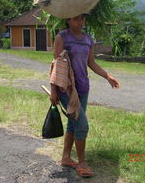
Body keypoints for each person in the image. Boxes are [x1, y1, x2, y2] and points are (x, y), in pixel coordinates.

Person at [50, 14, 120, 177]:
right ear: (68, 19)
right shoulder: (62, 37)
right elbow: (56, 65)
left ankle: (66, 157)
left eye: (83, 19)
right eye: (76, 19)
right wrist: (53, 91)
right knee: (82, 125)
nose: (81, 22)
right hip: (67, 89)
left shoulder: (88, 40)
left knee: (73, 125)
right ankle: (82, 162)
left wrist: (107, 76)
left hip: (83, 88)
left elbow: (91, 63)